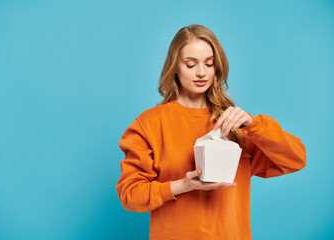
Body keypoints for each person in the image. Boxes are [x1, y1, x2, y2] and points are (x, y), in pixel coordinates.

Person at [116, 24, 306, 240]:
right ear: (175, 67)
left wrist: (254, 124)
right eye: (190, 64)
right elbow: (130, 195)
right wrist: (182, 185)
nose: (201, 72)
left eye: (209, 64)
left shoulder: (237, 125)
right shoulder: (149, 124)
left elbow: (296, 159)